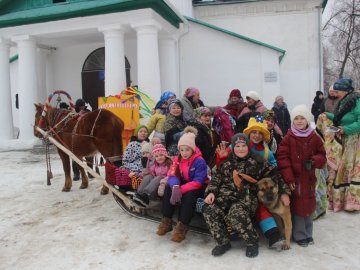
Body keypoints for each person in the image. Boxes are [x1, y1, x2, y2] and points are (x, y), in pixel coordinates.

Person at [203, 133, 290, 258]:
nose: (241, 149)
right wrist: (211, 192)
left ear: (248, 147)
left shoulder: (258, 162)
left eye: (243, 146)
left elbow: (276, 177)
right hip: (226, 196)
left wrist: (284, 193)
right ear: (233, 148)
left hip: (246, 197)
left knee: (236, 213)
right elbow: (216, 179)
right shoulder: (227, 163)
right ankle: (223, 242)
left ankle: (252, 241)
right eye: (237, 146)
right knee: (209, 209)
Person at [277, 104, 326, 247]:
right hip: (296, 180)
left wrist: (314, 161)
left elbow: (322, 155)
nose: (299, 121)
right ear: (292, 121)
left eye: (302, 118)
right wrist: (289, 178)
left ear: (307, 120)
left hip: (309, 179)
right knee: (298, 207)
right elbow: (283, 159)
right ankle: (299, 235)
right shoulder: (288, 138)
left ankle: (308, 233)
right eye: (296, 118)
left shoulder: (314, 137)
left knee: (309, 205)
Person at [156, 127, 208, 242]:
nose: (184, 153)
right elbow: (172, 173)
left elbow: (198, 181)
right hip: (184, 182)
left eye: (187, 150)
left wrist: (181, 189)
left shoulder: (199, 161)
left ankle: (182, 227)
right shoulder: (177, 158)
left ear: (193, 149)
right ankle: (166, 221)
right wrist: (175, 186)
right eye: (182, 150)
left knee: (190, 195)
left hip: (197, 185)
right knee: (169, 188)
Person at [324, 78, 360, 212]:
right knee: (343, 169)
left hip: (353, 142)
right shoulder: (344, 101)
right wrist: (327, 115)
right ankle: (343, 200)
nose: (335, 93)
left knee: (349, 169)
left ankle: (352, 202)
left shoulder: (356, 101)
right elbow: (341, 119)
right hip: (344, 139)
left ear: (345, 91)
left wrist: (345, 129)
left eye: (337, 91)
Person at [72, 98, 93, 181]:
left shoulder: (88, 112)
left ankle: (90, 172)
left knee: (89, 156)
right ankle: (76, 173)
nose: (81, 108)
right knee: (75, 157)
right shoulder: (74, 112)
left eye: (82, 106)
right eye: (80, 107)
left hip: (86, 137)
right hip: (76, 137)